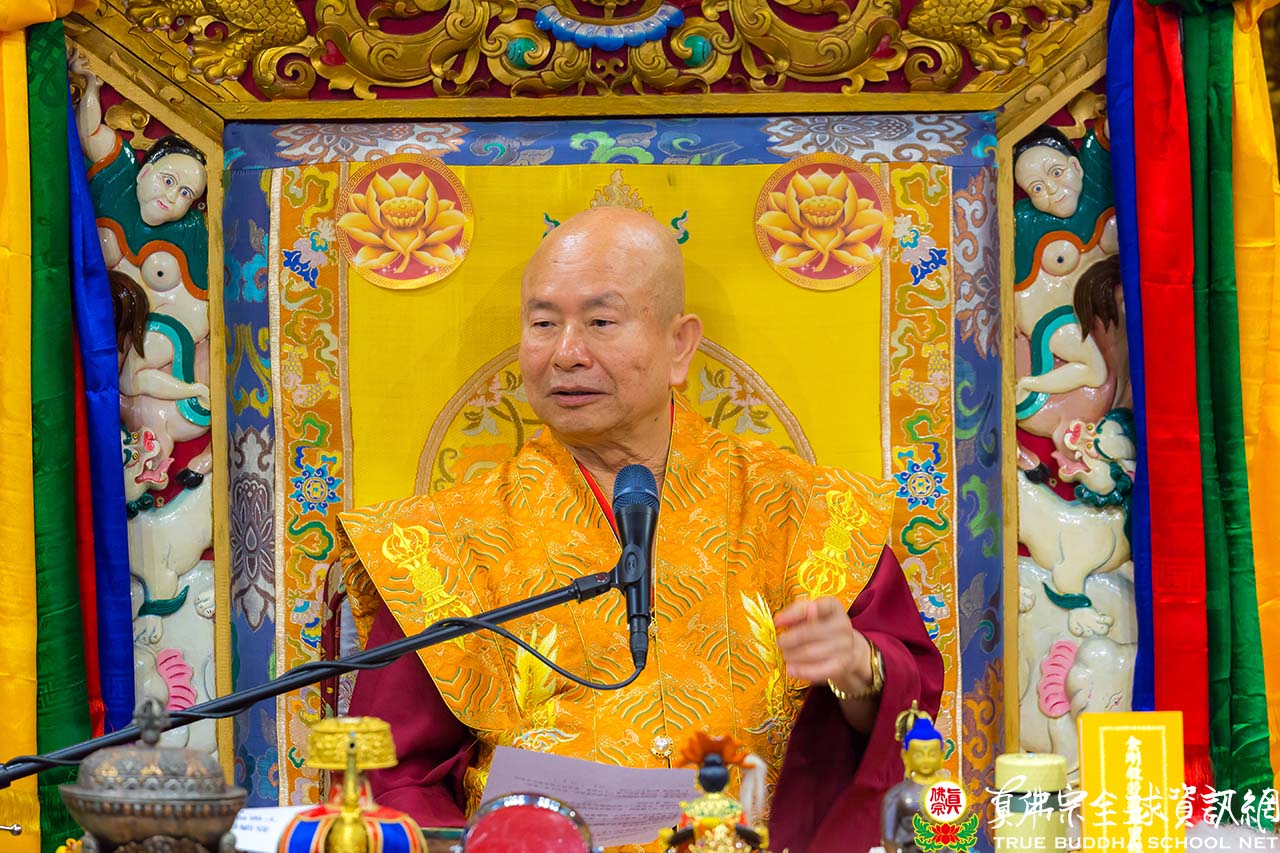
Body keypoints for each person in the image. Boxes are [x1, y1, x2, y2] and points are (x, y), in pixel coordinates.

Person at [339, 207, 943, 853]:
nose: (567, 353)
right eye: (543, 323)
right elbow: (393, 772)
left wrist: (859, 670)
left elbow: (908, 712)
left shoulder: (806, 510)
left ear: (679, 345)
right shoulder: (444, 539)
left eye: (601, 322)